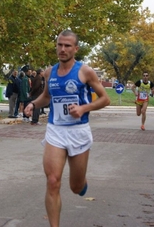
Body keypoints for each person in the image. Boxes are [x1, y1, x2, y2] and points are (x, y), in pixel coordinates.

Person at [24, 30, 110, 227]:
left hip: (78, 132)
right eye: (60, 45)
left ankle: (81, 183)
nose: (62, 49)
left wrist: (83, 108)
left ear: (76, 49)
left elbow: (106, 99)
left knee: (75, 186)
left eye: (67, 46)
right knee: (53, 181)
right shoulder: (49, 72)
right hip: (56, 130)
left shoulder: (85, 72)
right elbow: (47, 96)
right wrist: (33, 104)